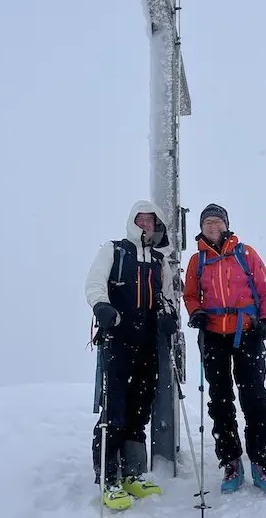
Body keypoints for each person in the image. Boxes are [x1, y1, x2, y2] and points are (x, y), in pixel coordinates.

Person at [182, 203, 266, 496]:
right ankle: (231, 461)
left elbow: (265, 289)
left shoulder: (246, 253)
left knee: (255, 397)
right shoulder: (197, 260)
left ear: (226, 225)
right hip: (214, 335)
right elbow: (190, 294)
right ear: (201, 228)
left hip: (248, 332)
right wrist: (196, 312)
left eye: (217, 222)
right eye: (208, 223)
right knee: (220, 400)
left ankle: (262, 462)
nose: (213, 227)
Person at [84, 199, 180, 511]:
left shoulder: (158, 261)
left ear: (157, 226)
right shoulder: (114, 250)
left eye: (150, 221)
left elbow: (165, 295)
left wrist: (168, 315)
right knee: (116, 406)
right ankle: (109, 475)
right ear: (131, 222)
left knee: (141, 404)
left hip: (148, 340)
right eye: (140, 220)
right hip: (118, 338)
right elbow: (95, 283)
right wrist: (102, 306)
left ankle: (134, 472)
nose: (145, 225)